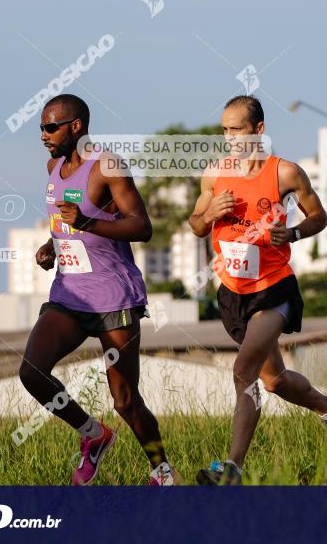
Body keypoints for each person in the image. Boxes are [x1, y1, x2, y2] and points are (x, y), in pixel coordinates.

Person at [19, 94, 177, 485]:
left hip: (114, 298)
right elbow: (63, 222)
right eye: (41, 127)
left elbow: (142, 226)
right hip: (70, 294)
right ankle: (93, 434)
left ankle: (162, 470)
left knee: (125, 400)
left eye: (51, 127)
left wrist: (88, 223)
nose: (43, 135)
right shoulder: (53, 165)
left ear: (76, 126)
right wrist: (51, 246)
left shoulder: (107, 166)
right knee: (32, 372)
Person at [189, 95, 327, 485]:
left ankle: (231, 469)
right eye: (225, 130)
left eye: (237, 129)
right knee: (275, 381)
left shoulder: (285, 173)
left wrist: (296, 232)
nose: (229, 138)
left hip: (273, 289)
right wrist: (209, 214)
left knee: (242, 370)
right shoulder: (214, 174)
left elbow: (318, 215)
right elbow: (196, 225)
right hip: (233, 292)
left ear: (258, 130)